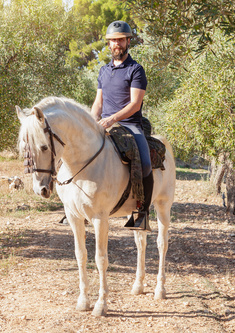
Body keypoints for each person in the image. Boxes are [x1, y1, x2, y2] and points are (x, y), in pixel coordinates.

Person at [91, 20, 153, 231]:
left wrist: (112, 119)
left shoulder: (136, 70)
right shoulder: (103, 71)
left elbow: (135, 104)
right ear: (108, 44)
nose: (116, 44)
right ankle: (75, 207)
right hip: (105, 124)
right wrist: (92, 121)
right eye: (112, 41)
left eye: (120, 40)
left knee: (145, 164)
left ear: (128, 41)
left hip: (130, 125)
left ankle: (142, 213)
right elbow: (98, 102)